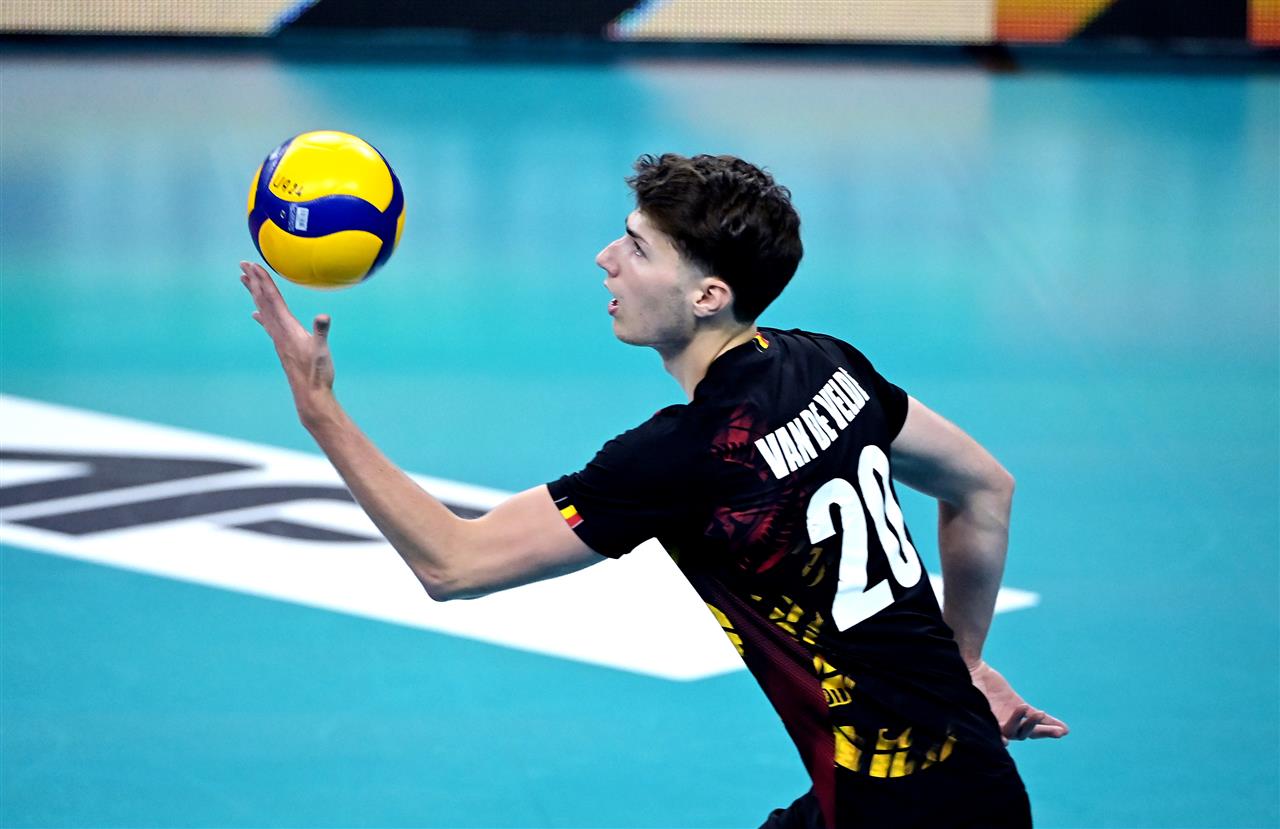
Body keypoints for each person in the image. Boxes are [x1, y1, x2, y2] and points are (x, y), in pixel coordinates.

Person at [239, 153, 1068, 828]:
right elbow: (984, 487)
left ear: (708, 296)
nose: (606, 257)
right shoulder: (828, 363)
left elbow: (453, 562)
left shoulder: (683, 456)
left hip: (896, 812)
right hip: (947, 782)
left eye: (638, 248)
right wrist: (960, 664)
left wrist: (321, 412)